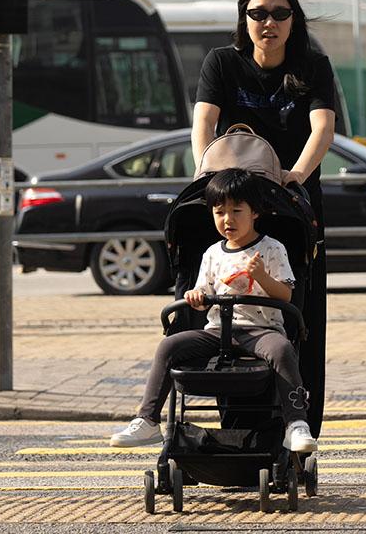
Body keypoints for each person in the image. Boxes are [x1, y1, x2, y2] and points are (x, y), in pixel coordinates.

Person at [191, 0, 336, 436]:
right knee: (226, 309)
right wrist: (206, 171)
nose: (268, 22)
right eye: (257, 14)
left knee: (301, 320)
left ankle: (300, 426)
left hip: (294, 206)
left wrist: (297, 173)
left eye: (279, 13)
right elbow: (205, 120)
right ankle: (236, 429)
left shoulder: (312, 65)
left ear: (293, 20)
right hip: (233, 199)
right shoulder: (222, 62)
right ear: (244, 19)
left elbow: (322, 128)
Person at [110, 168, 318, 453]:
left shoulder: (271, 249)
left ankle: (296, 423)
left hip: (261, 330)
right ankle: (147, 420)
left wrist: (262, 278)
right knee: (168, 346)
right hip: (218, 330)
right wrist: (196, 296)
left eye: (236, 211)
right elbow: (203, 291)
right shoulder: (212, 253)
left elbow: (286, 294)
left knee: (282, 349)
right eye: (219, 212)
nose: (227, 220)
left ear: (255, 212)